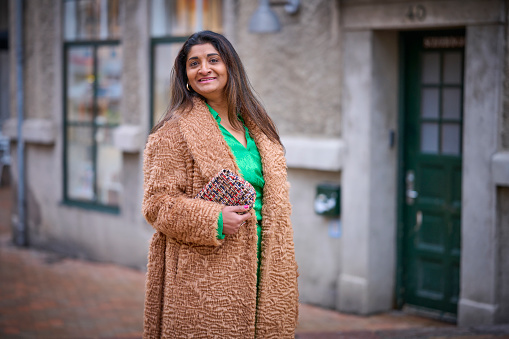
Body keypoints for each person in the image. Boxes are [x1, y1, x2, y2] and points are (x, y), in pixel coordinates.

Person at [142, 30, 298, 338]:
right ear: (185, 76)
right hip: (206, 278)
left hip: (267, 272)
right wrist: (213, 218)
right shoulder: (173, 133)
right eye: (193, 63)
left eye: (213, 59)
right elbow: (156, 205)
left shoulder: (258, 128)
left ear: (230, 66)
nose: (204, 69)